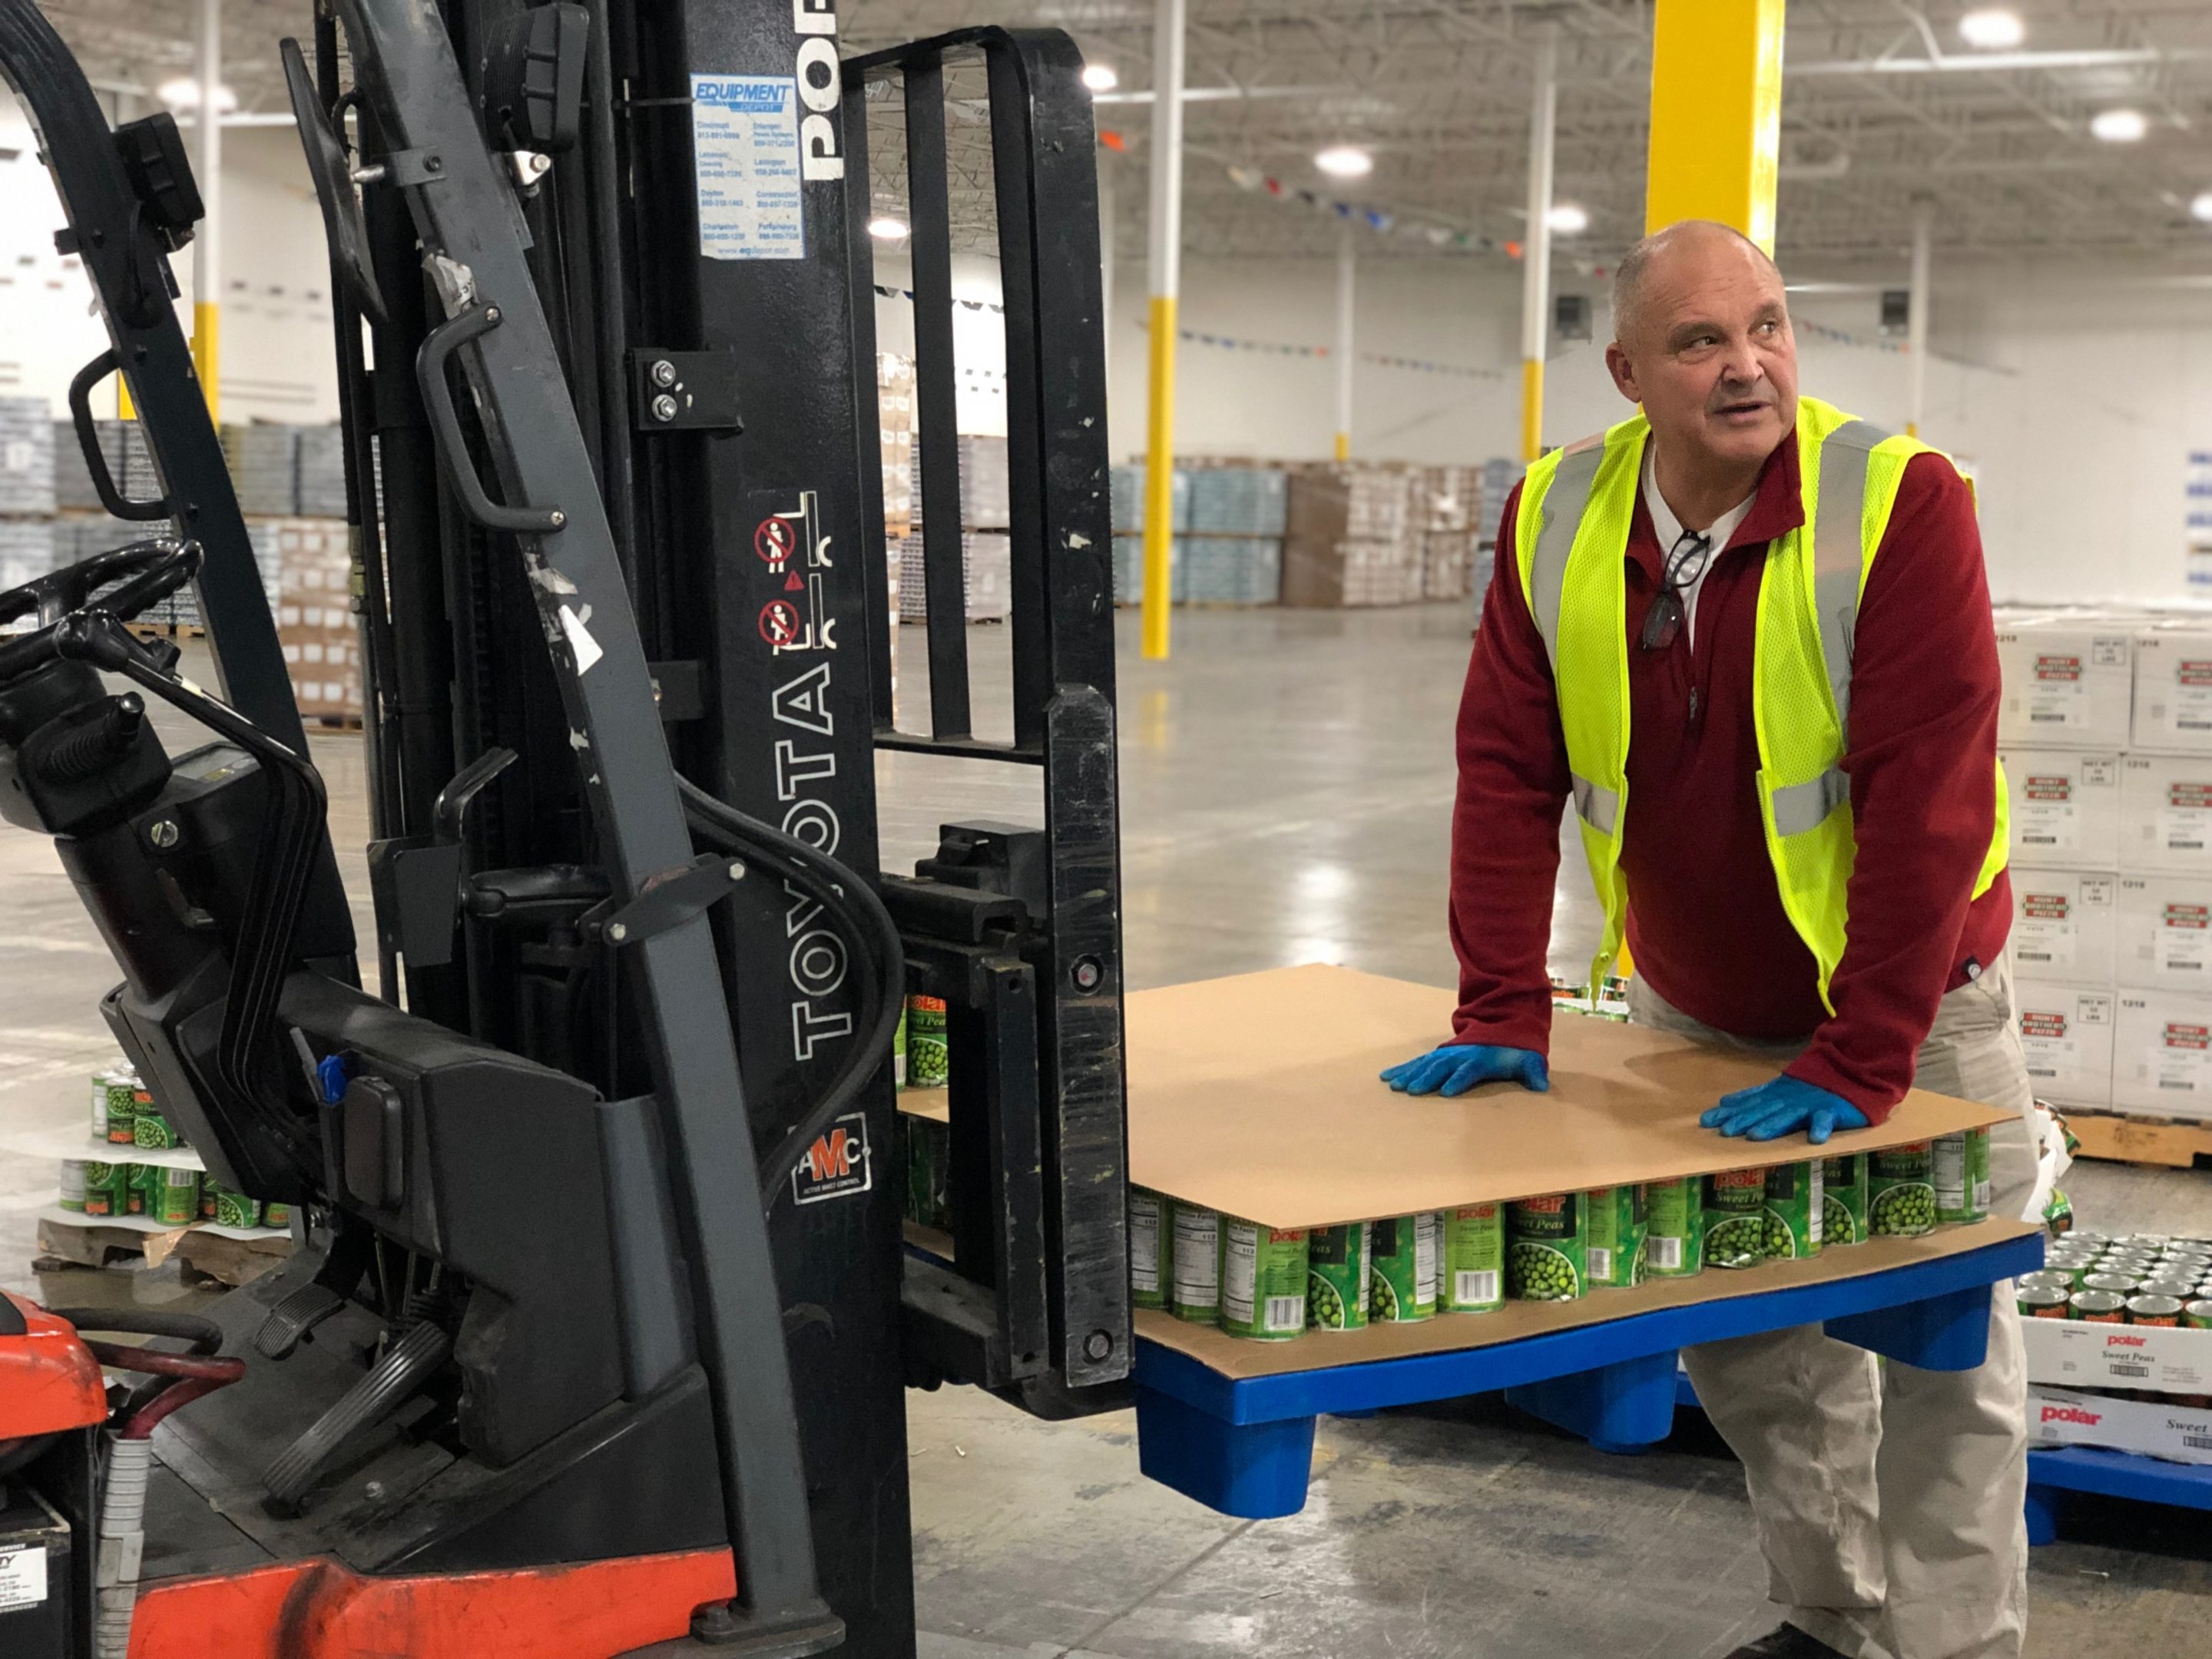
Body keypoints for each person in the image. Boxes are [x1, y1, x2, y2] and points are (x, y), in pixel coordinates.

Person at [1382, 220, 2034, 1659]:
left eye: (1771, 326)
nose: (1751, 367)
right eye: (1702, 341)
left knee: (1946, 1356)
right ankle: (1839, 1622)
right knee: (1753, 1352)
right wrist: (1502, 1004)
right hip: (1699, 1018)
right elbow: (1507, 767)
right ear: (1628, 371)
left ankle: (1955, 1651)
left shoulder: (1898, 500)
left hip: (1922, 1013)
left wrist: (1868, 1054)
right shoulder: (1558, 513)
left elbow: (1928, 802)